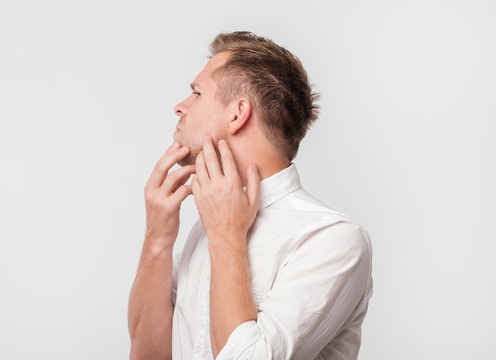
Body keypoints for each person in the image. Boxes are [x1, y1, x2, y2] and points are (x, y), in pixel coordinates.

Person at [127, 31, 373, 360]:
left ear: (237, 114)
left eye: (197, 93)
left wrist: (227, 234)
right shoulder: (206, 225)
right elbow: (146, 355)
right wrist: (157, 236)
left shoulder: (333, 239)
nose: (180, 107)